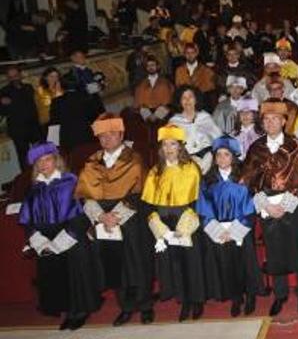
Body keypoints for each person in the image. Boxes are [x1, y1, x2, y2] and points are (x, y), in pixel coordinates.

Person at [75, 114, 154, 326]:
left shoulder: (134, 159)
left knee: (138, 262)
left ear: (120, 134)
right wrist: (101, 216)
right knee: (115, 264)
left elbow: (141, 194)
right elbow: (85, 195)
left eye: (111, 134)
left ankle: (145, 305)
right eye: (102, 135)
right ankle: (126, 306)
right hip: (103, 220)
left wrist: (115, 216)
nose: (106, 139)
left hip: (130, 218)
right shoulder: (92, 162)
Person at [239, 99, 298, 316]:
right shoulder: (256, 148)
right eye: (267, 119)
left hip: (293, 204)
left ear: (283, 121)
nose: (271, 123)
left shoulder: (297, 146)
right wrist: (266, 205)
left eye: (275, 119)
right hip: (267, 205)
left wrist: (286, 205)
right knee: (274, 250)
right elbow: (248, 181)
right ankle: (280, 295)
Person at [19, 142, 102, 330]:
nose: (44, 164)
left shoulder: (71, 181)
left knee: (75, 273)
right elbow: (28, 220)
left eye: (47, 159)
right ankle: (66, 309)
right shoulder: (34, 190)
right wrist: (37, 239)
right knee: (56, 275)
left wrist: (66, 238)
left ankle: (80, 311)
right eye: (39, 161)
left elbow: (81, 214)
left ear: (56, 160)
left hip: (71, 233)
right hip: (46, 236)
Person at [141, 124, 206, 322]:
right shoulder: (155, 172)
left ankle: (197, 299)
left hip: (186, 220)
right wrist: (159, 226)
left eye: (173, 144)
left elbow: (196, 200)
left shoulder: (190, 168)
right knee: (174, 263)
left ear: (180, 147)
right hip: (164, 223)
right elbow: (149, 204)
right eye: (165, 144)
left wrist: (184, 227)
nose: (169, 148)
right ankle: (183, 299)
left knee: (191, 261)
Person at [197, 136, 261, 317]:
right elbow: (204, 209)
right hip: (219, 230)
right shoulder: (208, 181)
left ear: (233, 156)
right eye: (218, 155)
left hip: (241, 228)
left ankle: (250, 296)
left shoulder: (243, 178)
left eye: (226, 155)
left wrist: (235, 229)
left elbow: (250, 206)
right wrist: (218, 230)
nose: (222, 159)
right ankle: (236, 297)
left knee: (246, 263)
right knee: (227, 265)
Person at [168, 85, 222, 174]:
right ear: (179, 101)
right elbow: (170, 146)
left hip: (209, 160)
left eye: (190, 97)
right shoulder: (174, 121)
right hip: (185, 162)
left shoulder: (205, 117)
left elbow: (218, 138)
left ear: (196, 99)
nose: (187, 100)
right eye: (184, 98)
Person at [1, 65, 44, 170]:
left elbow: (36, 105)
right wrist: (2, 103)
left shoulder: (28, 87)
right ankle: (27, 179)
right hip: (18, 129)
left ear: (20, 75)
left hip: (34, 126)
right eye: (11, 77)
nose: (14, 78)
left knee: (41, 153)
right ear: (7, 78)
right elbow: (3, 112)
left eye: (15, 75)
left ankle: (43, 173)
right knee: (23, 156)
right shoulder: (3, 92)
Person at [50, 72, 105, 152]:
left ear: (61, 86)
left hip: (69, 143)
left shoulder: (57, 102)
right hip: (90, 138)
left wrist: (53, 146)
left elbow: (54, 125)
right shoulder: (88, 97)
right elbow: (97, 117)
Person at [134, 55, 175, 123]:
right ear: (146, 68)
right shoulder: (141, 84)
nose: (151, 67)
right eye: (148, 65)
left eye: (152, 65)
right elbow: (139, 103)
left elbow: (169, 101)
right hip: (147, 113)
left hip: (163, 111)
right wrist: (148, 115)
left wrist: (157, 115)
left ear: (157, 66)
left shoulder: (165, 82)